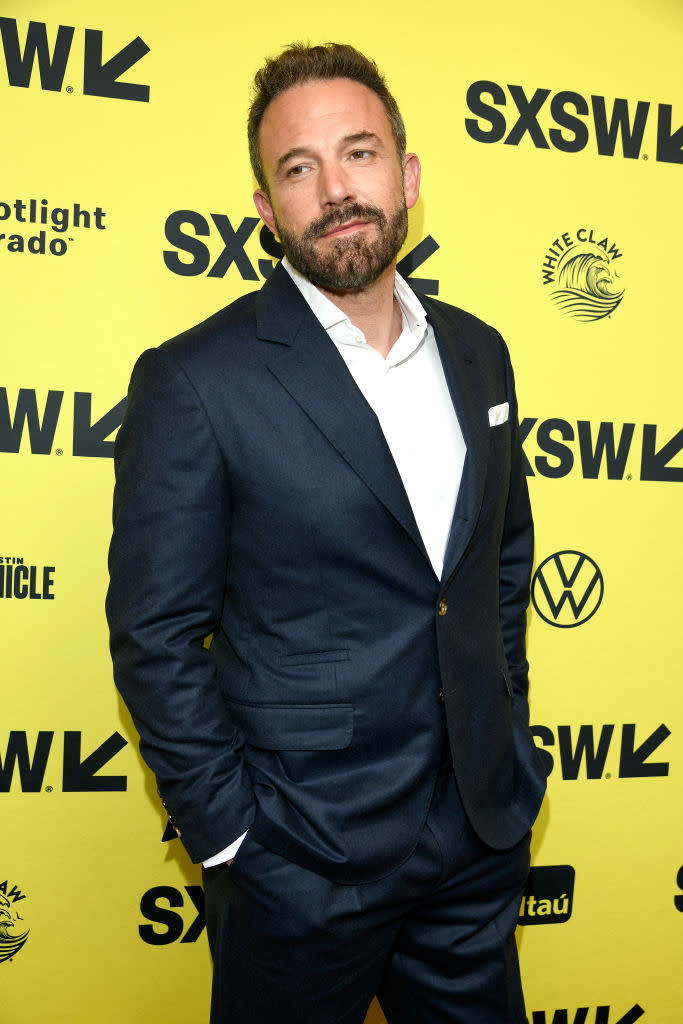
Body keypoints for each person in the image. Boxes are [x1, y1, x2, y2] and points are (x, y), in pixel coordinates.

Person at [106, 42, 549, 1024]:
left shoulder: (480, 354)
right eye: (298, 169)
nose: (335, 189)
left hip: (475, 840)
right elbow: (156, 635)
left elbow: (497, 563)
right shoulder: (196, 379)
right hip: (300, 862)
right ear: (266, 208)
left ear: (407, 175)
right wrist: (232, 840)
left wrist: (501, 725)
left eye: (359, 153)